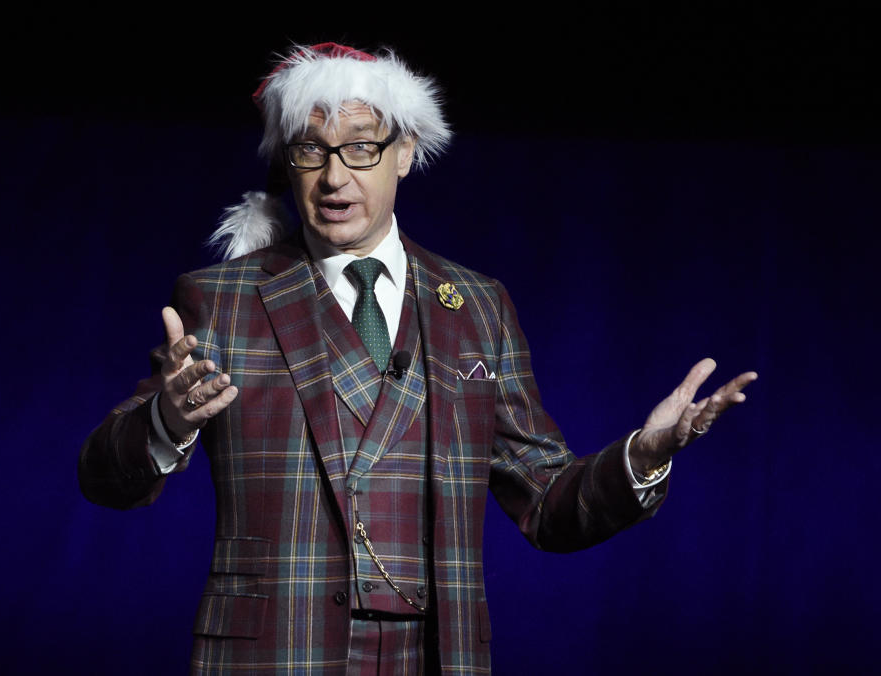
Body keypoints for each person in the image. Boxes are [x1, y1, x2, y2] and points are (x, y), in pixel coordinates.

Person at [79, 43, 757, 675]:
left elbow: (547, 505)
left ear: (404, 153)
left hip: (437, 655)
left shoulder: (478, 307)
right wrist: (167, 420)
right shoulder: (222, 298)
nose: (334, 176)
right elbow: (104, 478)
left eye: (361, 148)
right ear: (289, 162)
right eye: (311, 152)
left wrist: (645, 455)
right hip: (277, 652)